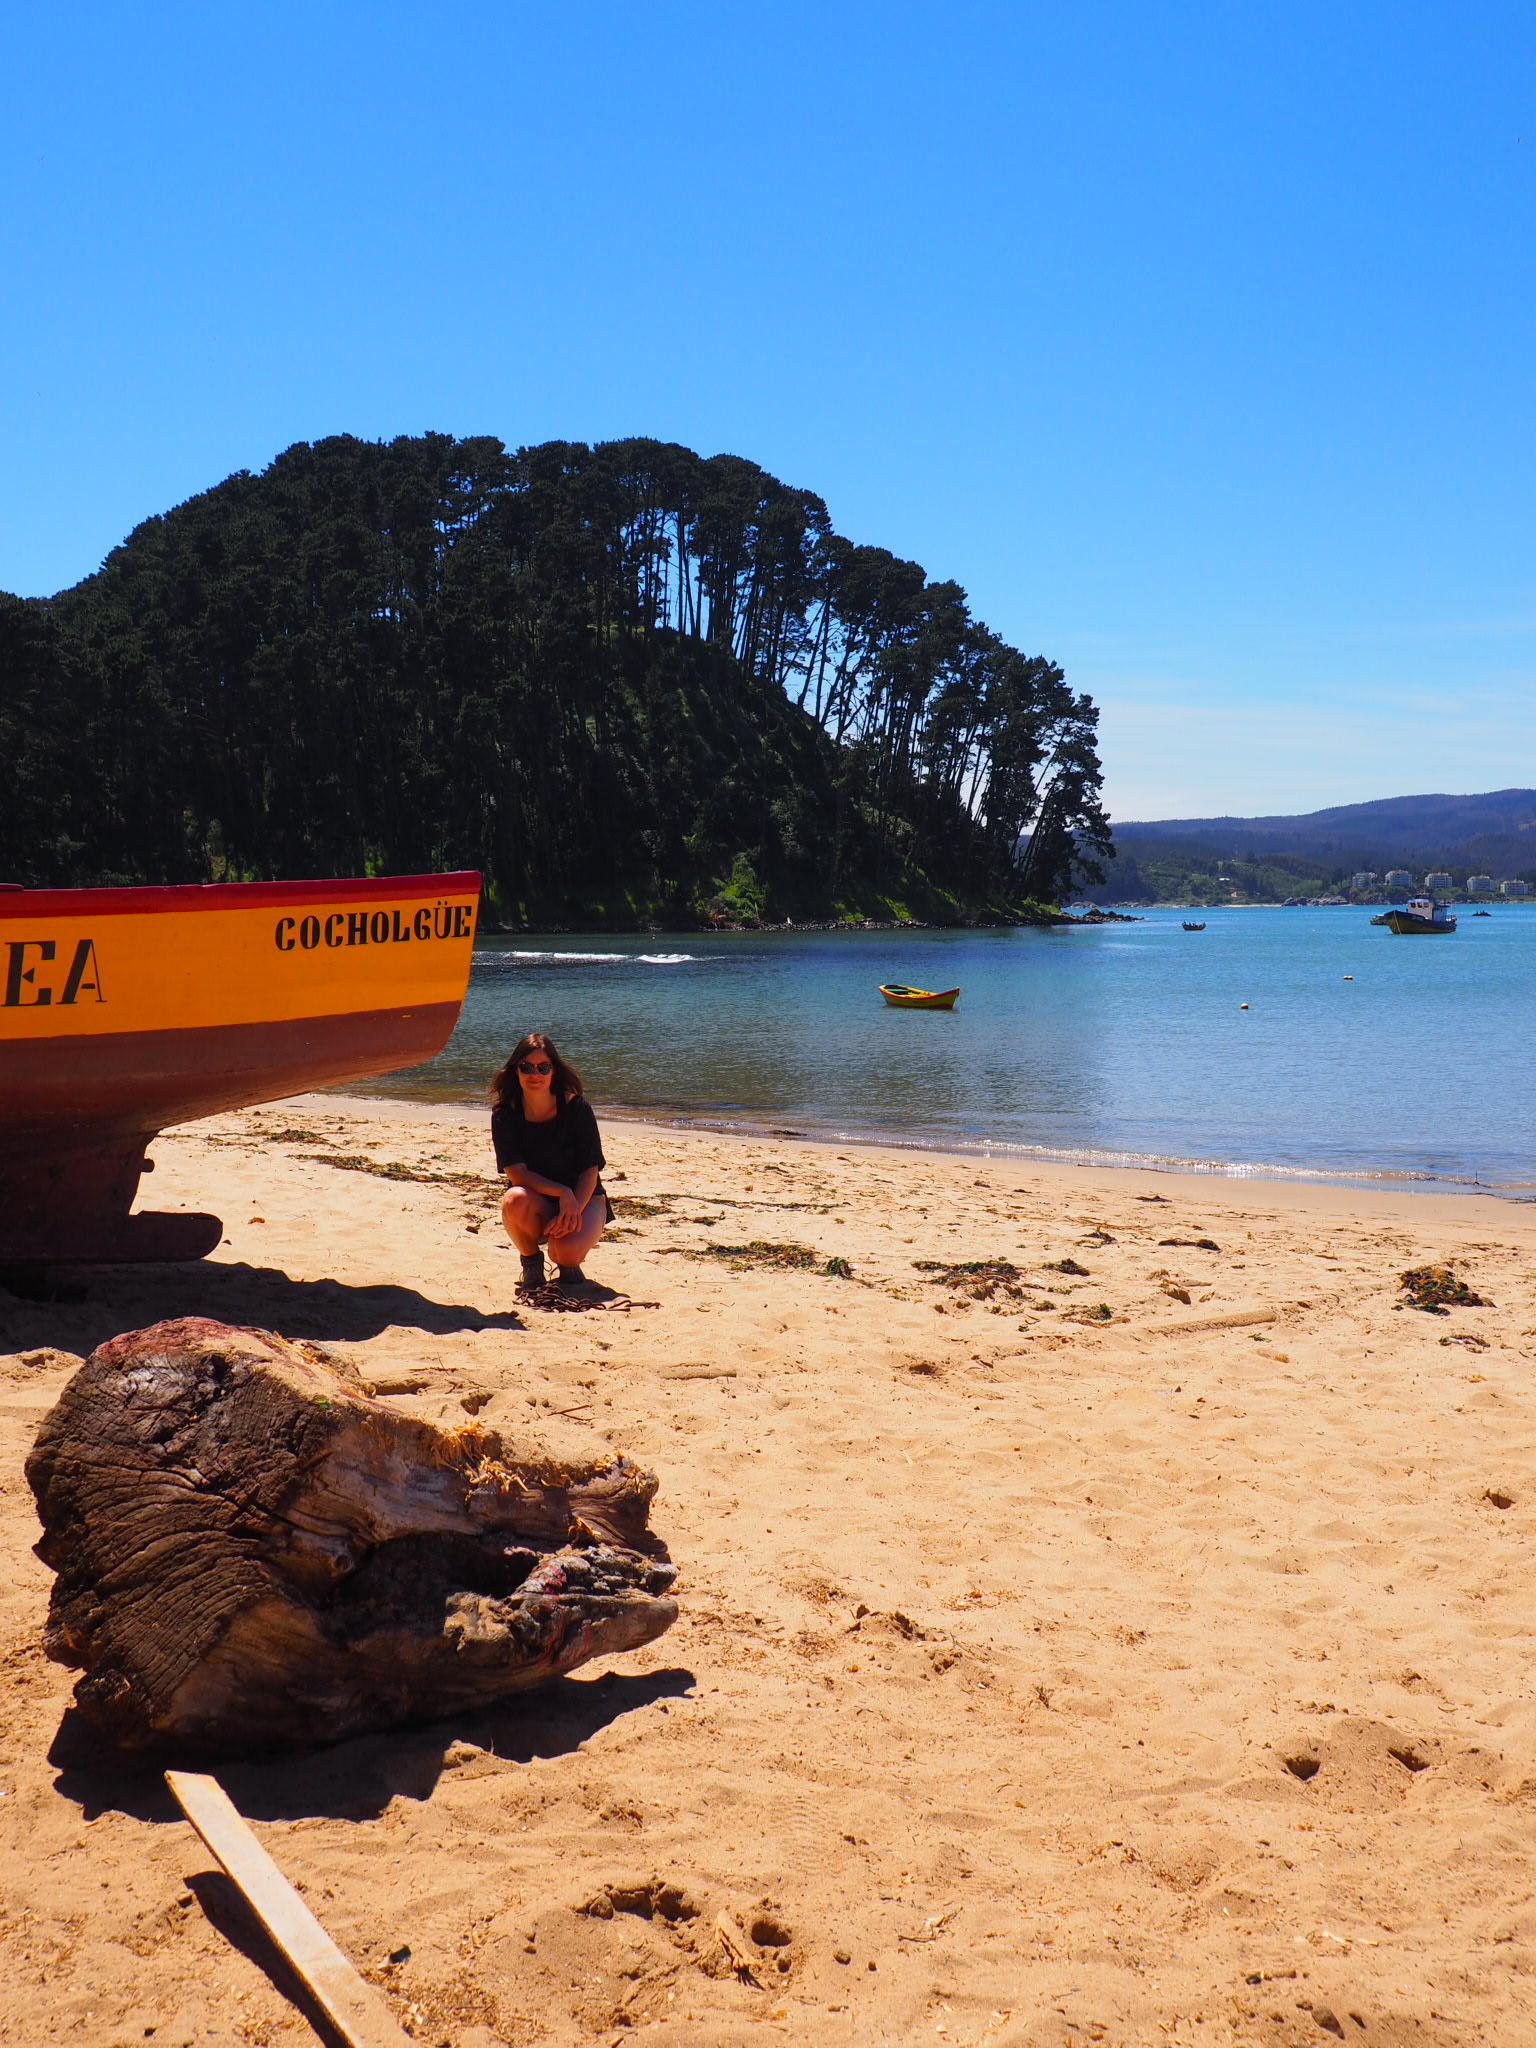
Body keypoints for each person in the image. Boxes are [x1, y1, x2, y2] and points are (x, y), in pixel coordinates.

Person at [490, 1033, 609, 1289]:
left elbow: (590, 1170)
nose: (535, 1074)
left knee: (564, 1252)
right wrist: (562, 1192)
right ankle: (531, 1263)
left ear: (553, 1071)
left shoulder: (577, 1109)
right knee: (512, 1200)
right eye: (526, 1067)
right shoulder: (505, 1115)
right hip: (537, 1202)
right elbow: (517, 1174)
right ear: (516, 1070)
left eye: (543, 1068)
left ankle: (568, 1264)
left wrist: (573, 1206)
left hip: (584, 1198)